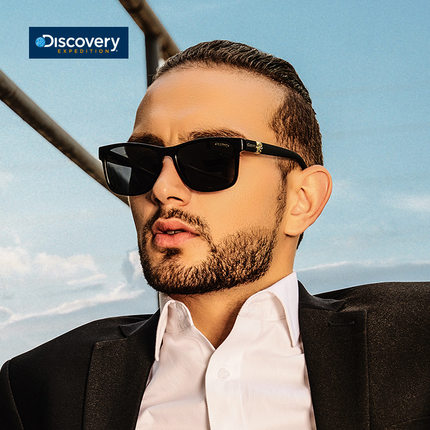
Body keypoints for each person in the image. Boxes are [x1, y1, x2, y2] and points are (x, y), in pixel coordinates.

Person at [1, 40, 429, 430]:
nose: (162, 188)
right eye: (141, 161)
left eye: (210, 159)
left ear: (302, 199)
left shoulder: (416, 339)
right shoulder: (39, 385)